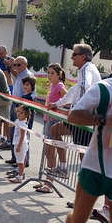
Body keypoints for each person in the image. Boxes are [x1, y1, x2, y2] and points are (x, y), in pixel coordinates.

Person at [55, 41, 112, 223]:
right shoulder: (104, 88)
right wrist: (107, 120)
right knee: (79, 220)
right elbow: (74, 115)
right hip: (96, 169)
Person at [44, 44, 101, 193]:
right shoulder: (84, 69)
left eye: (74, 54)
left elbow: (84, 87)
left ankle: (85, 195)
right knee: (55, 130)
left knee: (85, 160)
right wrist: (57, 104)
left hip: (84, 120)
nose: (71, 57)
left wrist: (77, 110)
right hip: (80, 119)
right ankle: (63, 167)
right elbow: (74, 91)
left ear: (83, 56)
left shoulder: (87, 69)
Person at [34, 63, 68, 192]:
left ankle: (49, 184)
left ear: (59, 74)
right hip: (47, 120)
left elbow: (68, 98)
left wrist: (58, 107)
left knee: (50, 152)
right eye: (48, 72)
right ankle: (46, 180)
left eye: (52, 73)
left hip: (54, 121)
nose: (49, 75)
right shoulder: (52, 86)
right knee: (47, 152)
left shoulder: (59, 85)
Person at [5, 56, 35, 164]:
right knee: (14, 133)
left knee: (23, 135)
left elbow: (32, 94)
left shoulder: (28, 76)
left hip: (23, 107)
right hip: (16, 104)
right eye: (15, 64)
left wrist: (25, 108)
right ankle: (15, 158)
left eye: (19, 64)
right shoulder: (20, 75)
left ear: (25, 65)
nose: (16, 67)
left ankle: (23, 161)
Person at [6, 76, 36, 178]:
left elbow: (29, 111)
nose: (25, 86)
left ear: (32, 86)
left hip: (25, 123)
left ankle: (21, 168)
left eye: (27, 84)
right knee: (22, 143)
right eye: (24, 84)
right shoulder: (25, 95)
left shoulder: (30, 97)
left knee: (23, 144)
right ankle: (20, 167)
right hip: (20, 122)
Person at [8, 104, 31, 183]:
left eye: (21, 112)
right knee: (21, 160)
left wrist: (19, 146)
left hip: (20, 144)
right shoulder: (18, 121)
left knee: (20, 162)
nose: (18, 114)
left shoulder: (23, 124)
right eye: (18, 111)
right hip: (17, 142)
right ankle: (20, 174)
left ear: (25, 115)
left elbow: (22, 136)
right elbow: (13, 124)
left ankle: (19, 177)